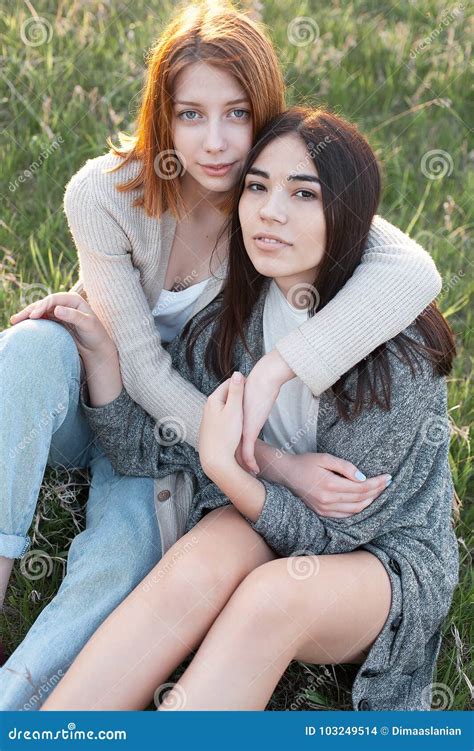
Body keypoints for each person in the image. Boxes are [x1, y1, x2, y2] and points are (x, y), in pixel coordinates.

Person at [1, 1, 441, 709]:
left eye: (238, 114)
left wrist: (261, 396)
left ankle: (21, 707)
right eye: (190, 114)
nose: (215, 143)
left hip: (237, 463)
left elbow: (413, 269)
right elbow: (144, 379)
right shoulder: (113, 203)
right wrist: (260, 459)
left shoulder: (276, 217)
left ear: (263, 114)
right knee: (25, 353)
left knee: (133, 566)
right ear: (161, 117)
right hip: (150, 407)